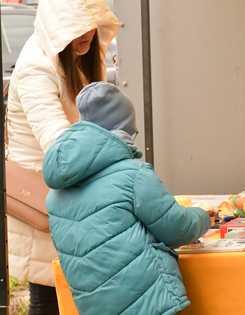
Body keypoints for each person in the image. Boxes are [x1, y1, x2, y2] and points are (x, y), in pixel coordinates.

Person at [43, 81, 210, 315]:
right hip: (149, 302)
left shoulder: (57, 192)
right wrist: (203, 217)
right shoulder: (133, 175)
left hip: (95, 307)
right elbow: (177, 229)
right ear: (121, 132)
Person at [6, 0, 119, 314]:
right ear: (58, 26)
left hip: (72, 195)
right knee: (49, 291)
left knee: (67, 292)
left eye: (90, 25)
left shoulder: (83, 55)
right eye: (76, 27)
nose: (85, 34)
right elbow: (61, 145)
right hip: (44, 195)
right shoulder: (35, 69)